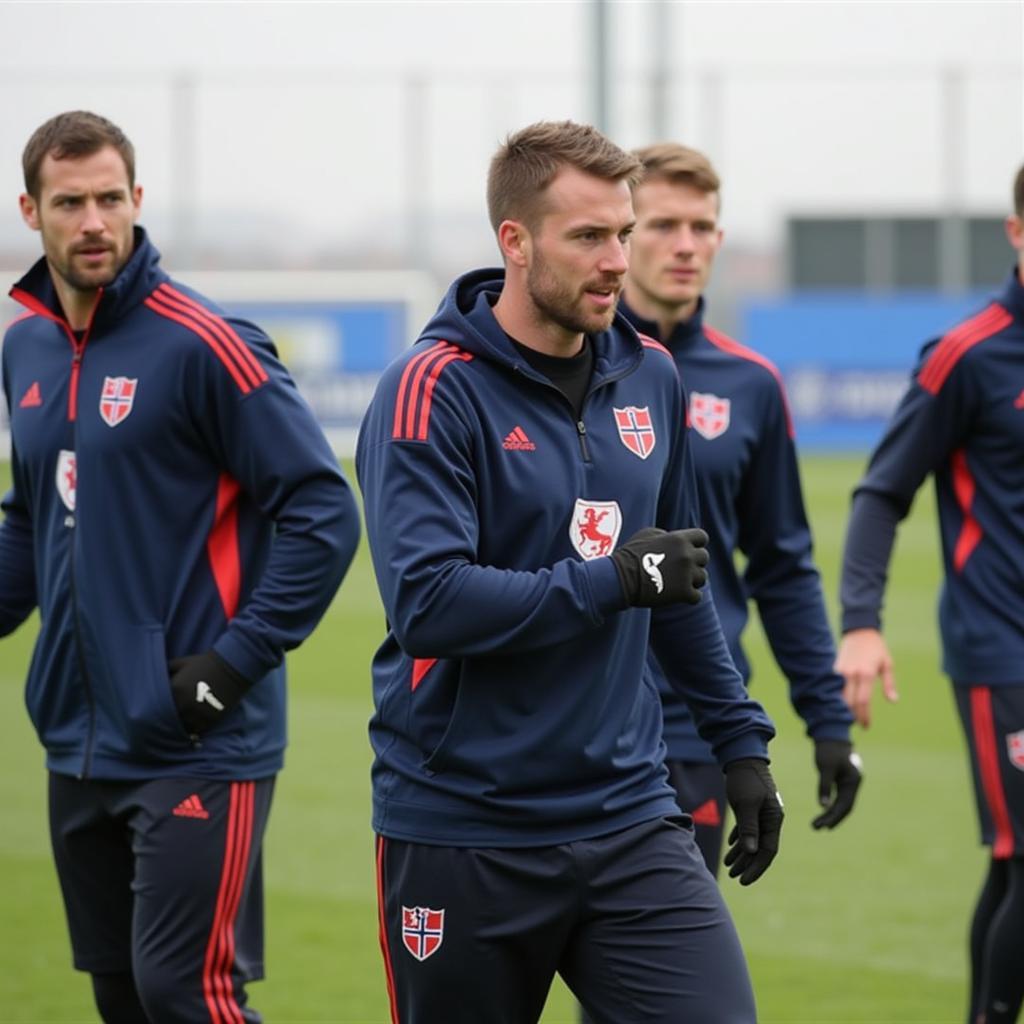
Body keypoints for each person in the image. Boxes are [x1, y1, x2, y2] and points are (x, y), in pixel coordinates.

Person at [357, 120, 784, 1024]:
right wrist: (609, 581)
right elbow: (430, 602)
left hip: (628, 813)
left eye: (622, 233)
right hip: (463, 827)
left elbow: (678, 581)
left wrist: (741, 742)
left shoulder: (652, 376)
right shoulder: (429, 389)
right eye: (588, 236)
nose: (615, 261)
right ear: (515, 241)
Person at [0, 111, 360, 1023]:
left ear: (138, 201)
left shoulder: (206, 342)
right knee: (122, 997)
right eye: (70, 202)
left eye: (110, 199)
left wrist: (228, 669)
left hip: (196, 740)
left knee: (187, 996)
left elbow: (323, 511)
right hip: (77, 739)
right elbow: (36, 515)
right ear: (29, 211)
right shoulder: (26, 347)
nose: (93, 222)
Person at [618, 143, 863, 875]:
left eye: (703, 227)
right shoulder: (572, 369)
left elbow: (782, 565)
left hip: (695, 725)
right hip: (578, 718)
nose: (686, 245)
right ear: (624, 233)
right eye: (663, 225)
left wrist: (826, 717)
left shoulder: (751, 384)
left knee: (659, 982)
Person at [836, 163, 1024, 1024]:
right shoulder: (968, 354)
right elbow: (881, 492)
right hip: (1003, 651)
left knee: (1012, 862)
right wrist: (863, 624)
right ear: (1017, 235)